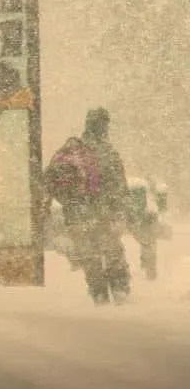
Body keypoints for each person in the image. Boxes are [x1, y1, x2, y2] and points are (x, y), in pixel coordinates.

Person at [44, 108, 131, 305]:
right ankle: (120, 291)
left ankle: (98, 294)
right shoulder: (107, 152)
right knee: (112, 251)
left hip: (76, 215)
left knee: (90, 256)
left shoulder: (70, 150)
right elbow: (119, 186)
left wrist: (66, 204)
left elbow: (49, 180)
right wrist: (119, 211)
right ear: (104, 126)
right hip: (102, 214)